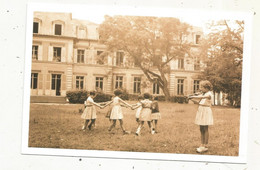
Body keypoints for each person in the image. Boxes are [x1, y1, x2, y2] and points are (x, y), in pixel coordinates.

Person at [189, 80, 214, 153]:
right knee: (201, 128)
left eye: (202, 87)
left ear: (206, 88)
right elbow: (199, 103)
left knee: (205, 128)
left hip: (206, 111)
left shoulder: (209, 94)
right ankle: (202, 144)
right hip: (201, 110)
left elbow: (203, 96)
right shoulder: (204, 94)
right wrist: (192, 99)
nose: (200, 89)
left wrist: (193, 95)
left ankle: (205, 145)